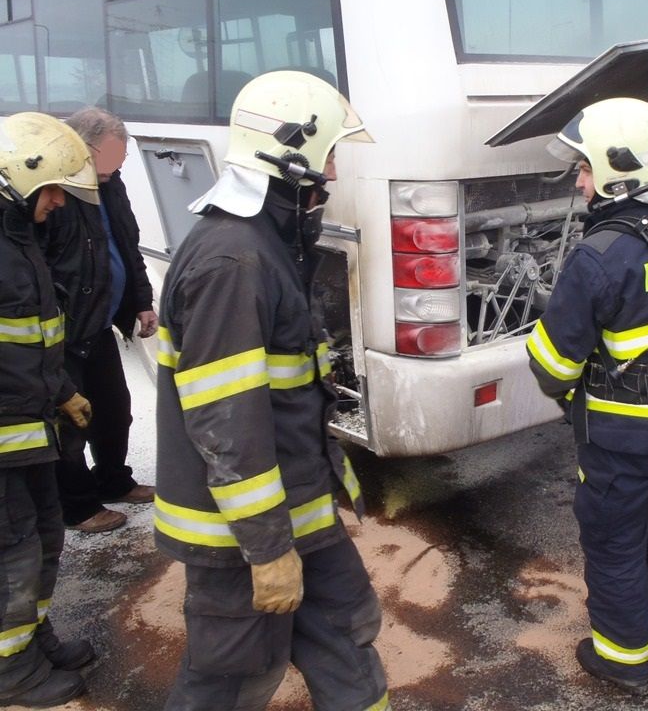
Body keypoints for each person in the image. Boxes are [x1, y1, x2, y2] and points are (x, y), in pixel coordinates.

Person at [155, 70, 389, 711]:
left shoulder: (266, 243)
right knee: (234, 678)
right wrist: (266, 550)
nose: (335, 172)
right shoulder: (234, 261)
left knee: (348, 635)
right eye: (331, 153)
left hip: (298, 512)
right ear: (296, 151)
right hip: (244, 538)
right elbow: (228, 423)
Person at [526, 98, 648, 697]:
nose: (580, 181)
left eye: (584, 168)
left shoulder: (601, 254)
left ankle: (624, 662)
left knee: (614, 546)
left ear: (618, 170)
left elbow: (553, 364)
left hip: (621, 441)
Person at [0, 112, 100, 707]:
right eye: (54, 189)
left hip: (27, 426)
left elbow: (31, 336)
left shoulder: (16, 239)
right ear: (19, 178)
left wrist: (61, 390)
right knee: (11, 550)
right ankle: (10, 670)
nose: (60, 202)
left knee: (41, 536)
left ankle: (31, 641)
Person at [44, 107, 156, 533]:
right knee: (70, 424)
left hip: (100, 324)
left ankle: (113, 480)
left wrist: (141, 301)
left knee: (115, 412)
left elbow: (128, 244)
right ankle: (77, 506)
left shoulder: (109, 183)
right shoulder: (54, 191)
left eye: (118, 163)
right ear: (78, 149)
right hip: (66, 332)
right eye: (106, 163)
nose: (111, 171)